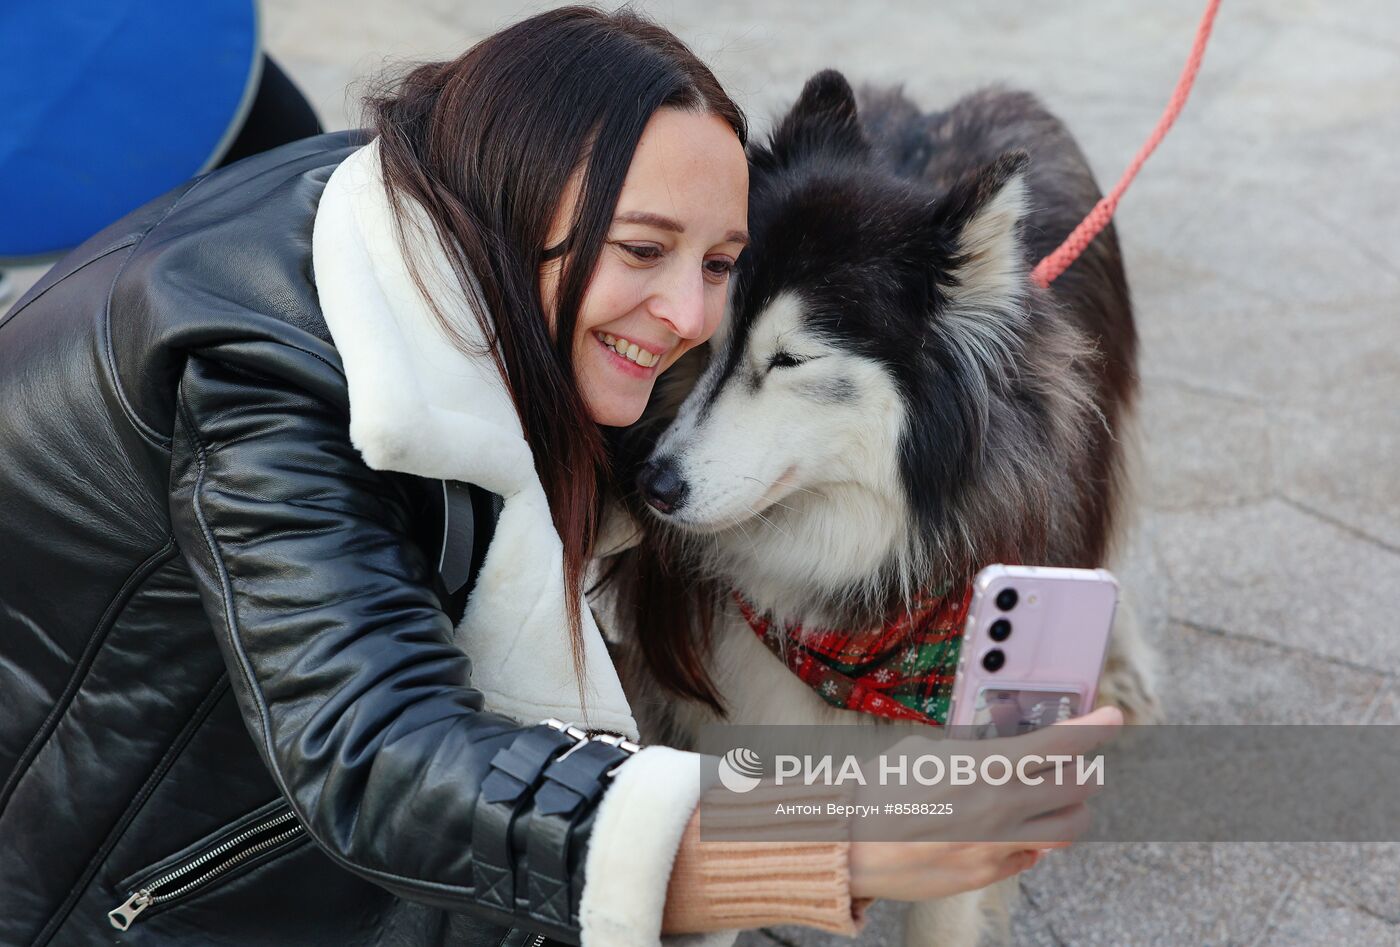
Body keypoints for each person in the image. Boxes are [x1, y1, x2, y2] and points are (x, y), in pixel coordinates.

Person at [0, 6, 1120, 946]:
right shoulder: (258, 387)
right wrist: (839, 830)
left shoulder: (424, 232)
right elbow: (380, 760)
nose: (689, 315)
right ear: (519, 195)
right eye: (641, 250)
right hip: (88, 880)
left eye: (719, 262)